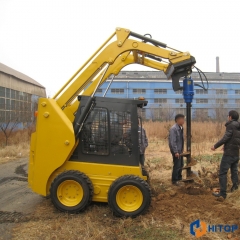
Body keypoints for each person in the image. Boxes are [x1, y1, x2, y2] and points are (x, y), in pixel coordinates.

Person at [211, 110, 240, 199]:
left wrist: (215, 146)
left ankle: (222, 194)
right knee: (234, 171)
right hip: (236, 153)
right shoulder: (238, 126)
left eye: (228, 116)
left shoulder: (230, 125)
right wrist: (226, 146)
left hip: (229, 154)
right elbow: (234, 139)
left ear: (230, 117)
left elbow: (226, 138)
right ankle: (235, 189)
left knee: (222, 173)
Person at [169, 114, 185, 186]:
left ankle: (179, 178)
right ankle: (175, 180)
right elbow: (173, 141)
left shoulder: (181, 128)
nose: (183, 120)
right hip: (176, 151)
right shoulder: (173, 129)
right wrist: (175, 152)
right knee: (177, 165)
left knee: (181, 164)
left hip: (180, 150)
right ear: (177, 120)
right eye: (182, 119)